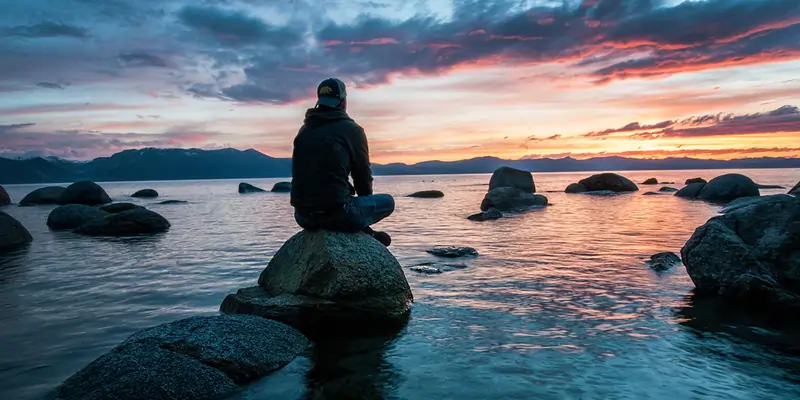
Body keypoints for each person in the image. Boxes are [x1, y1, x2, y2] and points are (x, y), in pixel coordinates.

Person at [290, 77, 394, 246]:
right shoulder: (352, 130)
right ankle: (365, 231)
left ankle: (366, 231)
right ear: (343, 102)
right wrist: (363, 210)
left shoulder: (304, 130)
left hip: (303, 216)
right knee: (388, 202)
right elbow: (362, 176)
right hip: (338, 215)